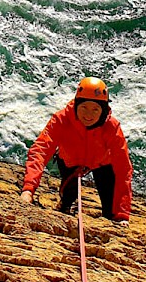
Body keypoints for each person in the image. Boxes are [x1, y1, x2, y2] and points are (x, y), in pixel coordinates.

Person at [19, 77, 132, 227]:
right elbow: (40, 150)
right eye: (84, 107)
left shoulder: (111, 127)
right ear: (76, 105)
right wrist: (28, 189)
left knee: (111, 214)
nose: (88, 115)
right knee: (68, 195)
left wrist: (122, 213)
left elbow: (123, 168)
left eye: (95, 109)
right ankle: (65, 205)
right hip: (70, 161)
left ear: (103, 110)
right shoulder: (61, 119)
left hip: (103, 163)